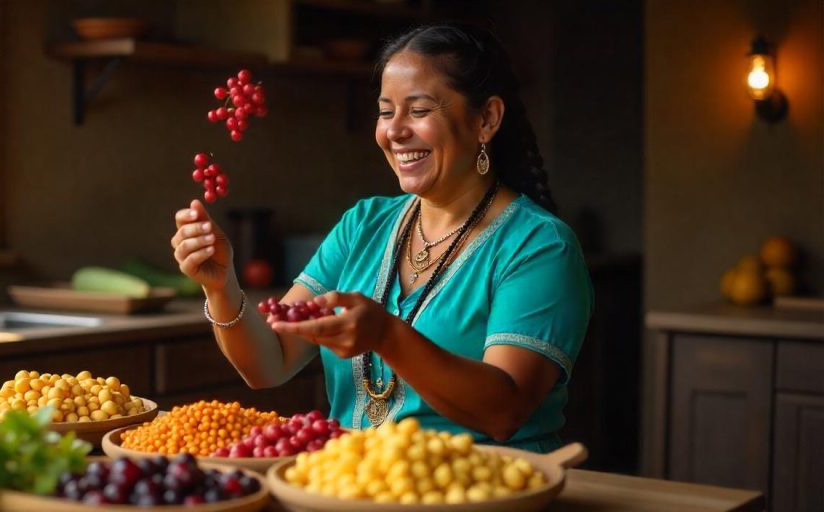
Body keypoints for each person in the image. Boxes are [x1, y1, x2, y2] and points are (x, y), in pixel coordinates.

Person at [170, 24, 592, 453]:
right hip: (359, 485)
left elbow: (503, 411)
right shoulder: (364, 225)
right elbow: (270, 362)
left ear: (486, 119)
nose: (394, 131)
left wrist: (387, 337)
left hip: (482, 491)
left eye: (419, 110)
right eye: (386, 111)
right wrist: (221, 287)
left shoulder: (539, 246)